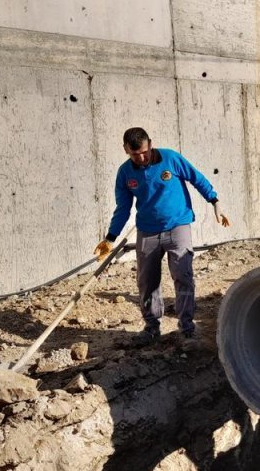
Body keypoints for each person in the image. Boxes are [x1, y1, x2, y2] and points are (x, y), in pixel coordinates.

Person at [94, 127, 230, 344]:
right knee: (147, 281)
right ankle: (152, 327)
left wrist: (215, 201)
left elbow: (197, 178)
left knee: (183, 275)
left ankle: (187, 325)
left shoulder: (170, 159)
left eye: (144, 152)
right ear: (125, 150)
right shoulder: (125, 173)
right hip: (147, 231)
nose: (140, 158)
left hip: (177, 226)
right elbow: (123, 208)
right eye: (134, 154)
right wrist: (110, 237)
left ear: (150, 143)